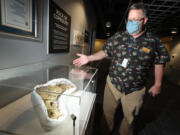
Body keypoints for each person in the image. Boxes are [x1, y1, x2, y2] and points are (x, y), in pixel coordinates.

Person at [73, 2, 170, 135]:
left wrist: (158, 84)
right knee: (106, 115)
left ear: (145, 20)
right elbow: (105, 52)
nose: (132, 23)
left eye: (136, 20)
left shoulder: (154, 41)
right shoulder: (118, 37)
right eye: (129, 20)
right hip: (112, 85)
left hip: (135, 89)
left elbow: (160, 62)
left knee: (130, 119)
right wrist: (88, 58)